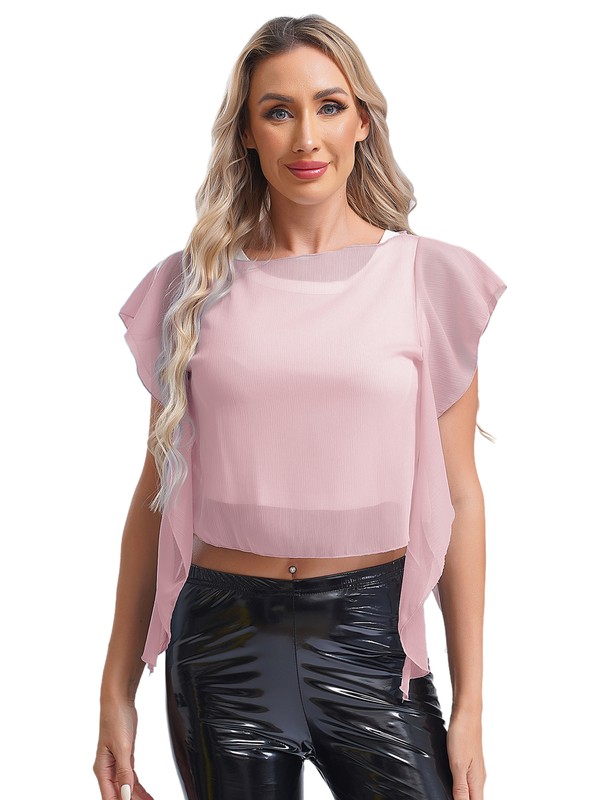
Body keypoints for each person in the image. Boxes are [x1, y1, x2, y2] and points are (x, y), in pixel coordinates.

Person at [94, 14, 507, 800]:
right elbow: (156, 495)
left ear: (362, 121)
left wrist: (471, 708)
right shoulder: (191, 288)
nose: (306, 137)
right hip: (222, 648)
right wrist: (116, 691)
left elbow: (461, 498)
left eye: (329, 106)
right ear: (248, 134)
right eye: (278, 111)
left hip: (373, 645)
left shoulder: (428, 280)